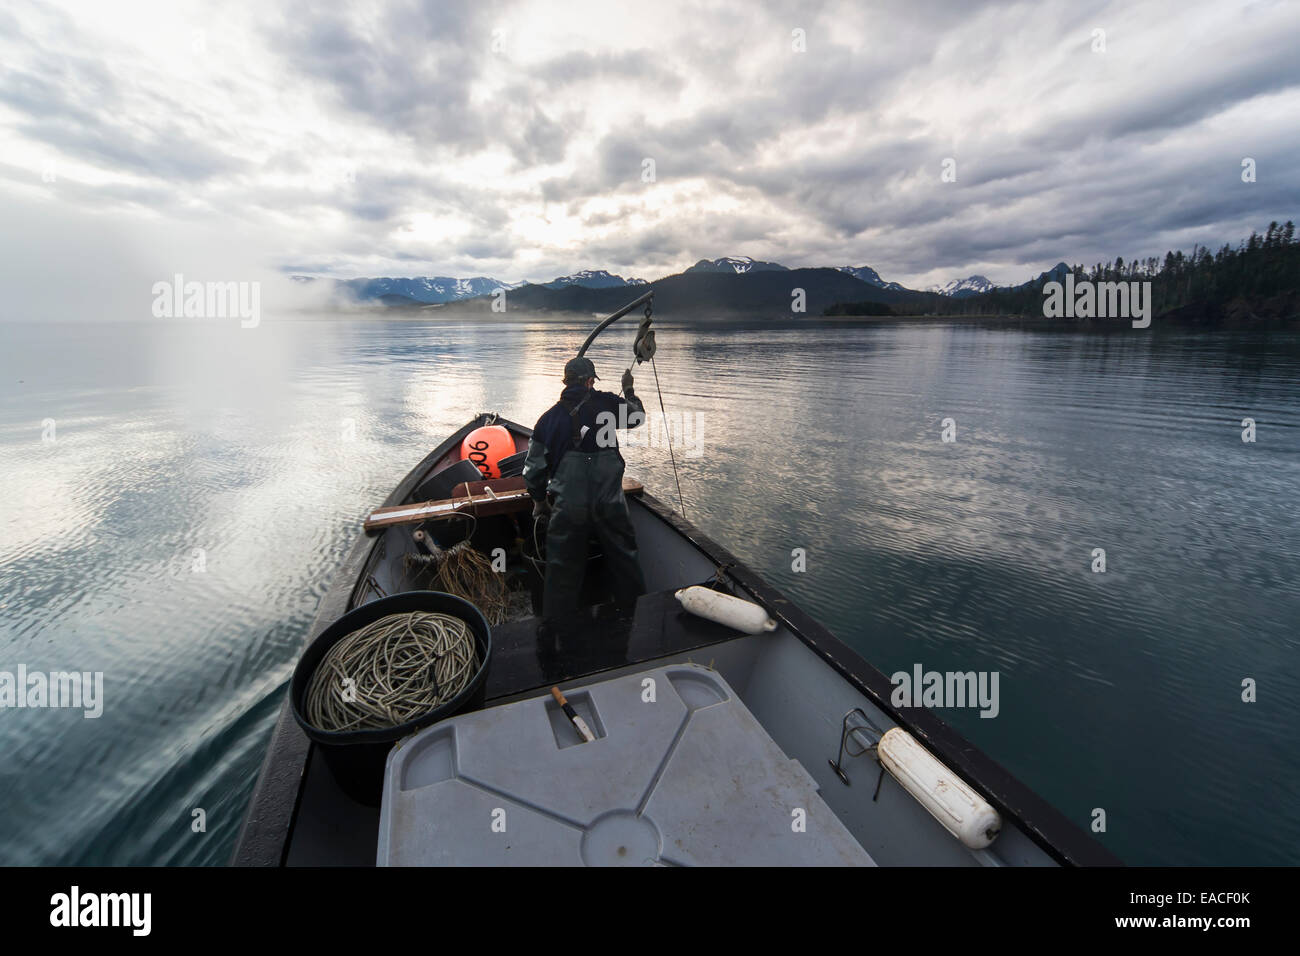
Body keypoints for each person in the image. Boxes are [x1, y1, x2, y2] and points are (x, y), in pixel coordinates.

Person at [523, 356, 647, 626]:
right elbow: (637, 416)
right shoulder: (607, 404)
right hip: (611, 506)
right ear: (590, 381)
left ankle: (556, 631)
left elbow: (533, 471)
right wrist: (628, 390)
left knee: (562, 571)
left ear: (566, 382)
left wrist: (539, 501)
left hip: (569, 510)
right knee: (625, 560)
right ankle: (636, 620)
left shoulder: (547, 420)